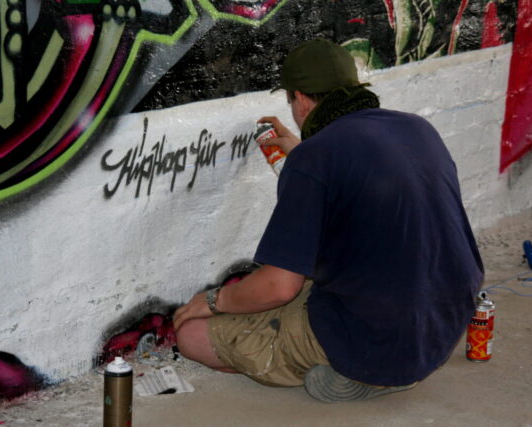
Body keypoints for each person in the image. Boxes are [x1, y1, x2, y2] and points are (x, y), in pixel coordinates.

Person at [173, 38, 484, 402]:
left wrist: (213, 301)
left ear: (301, 100)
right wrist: (304, 152)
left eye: (291, 101)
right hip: (444, 320)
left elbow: (278, 287)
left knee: (192, 335)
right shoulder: (415, 128)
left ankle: (366, 374)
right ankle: (388, 365)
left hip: (380, 338)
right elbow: (360, 181)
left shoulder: (315, 159)